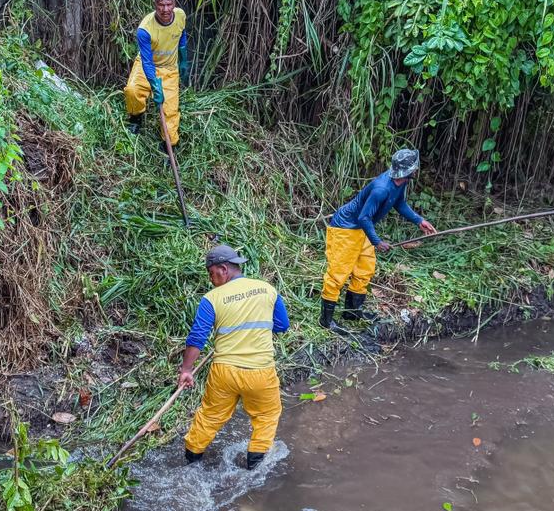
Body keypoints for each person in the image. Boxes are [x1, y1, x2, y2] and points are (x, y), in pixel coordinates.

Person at [178, 245, 290, 470]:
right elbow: (282, 325)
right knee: (267, 415)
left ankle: (191, 461)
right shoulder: (267, 289)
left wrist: (187, 370)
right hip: (261, 372)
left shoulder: (211, 298)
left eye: (211, 273)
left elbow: (197, 337)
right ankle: (255, 466)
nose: (211, 279)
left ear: (223, 269)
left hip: (224, 372)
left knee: (210, 415)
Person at [319, 148, 437, 329]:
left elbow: (399, 203)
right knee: (338, 274)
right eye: (415, 167)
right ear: (408, 170)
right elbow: (363, 217)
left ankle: (352, 313)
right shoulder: (381, 189)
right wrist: (377, 241)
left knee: (364, 269)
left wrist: (419, 221)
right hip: (345, 229)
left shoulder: (401, 182)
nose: (417, 169)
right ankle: (326, 321)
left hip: (362, 230)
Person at [124, 0, 188, 151]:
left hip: (169, 69)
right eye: (161, 5)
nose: (165, 9)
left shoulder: (180, 15)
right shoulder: (145, 29)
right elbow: (146, 61)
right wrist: (154, 84)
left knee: (169, 112)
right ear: (155, 5)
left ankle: (169, 146)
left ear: (174, 3)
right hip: (147, 65)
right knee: (132, 90)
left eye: (169, 4)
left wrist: (183, 58)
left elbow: (181, 34)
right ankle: (136, 117)